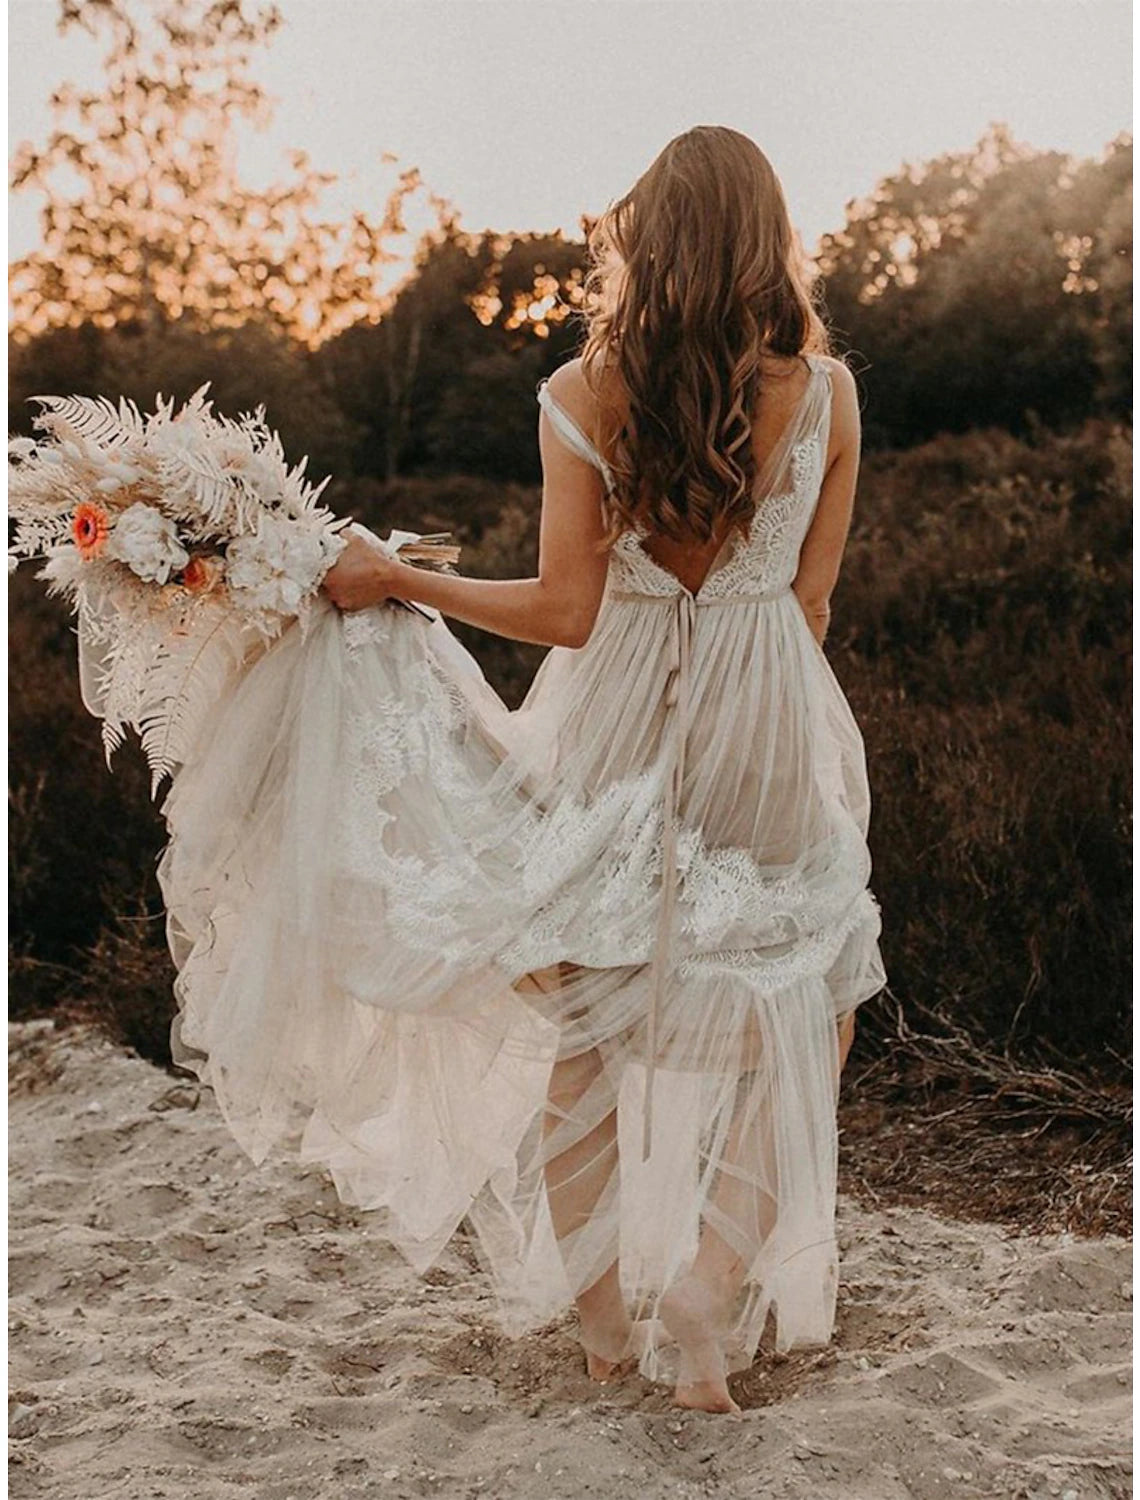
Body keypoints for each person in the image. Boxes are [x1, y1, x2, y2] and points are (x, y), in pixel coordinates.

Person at [160, 125, 884, 1418]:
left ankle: (603, 1320)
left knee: (592, 1034)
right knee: (801, 1018)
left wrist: (397, 577)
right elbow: (815, 603)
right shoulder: (825, 392)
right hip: (771, 707)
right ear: (771, 237)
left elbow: (564, 611)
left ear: (645, 241)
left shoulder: (583, 391)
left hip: (617, 719)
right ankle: (709, 1299)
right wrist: (752, 669)